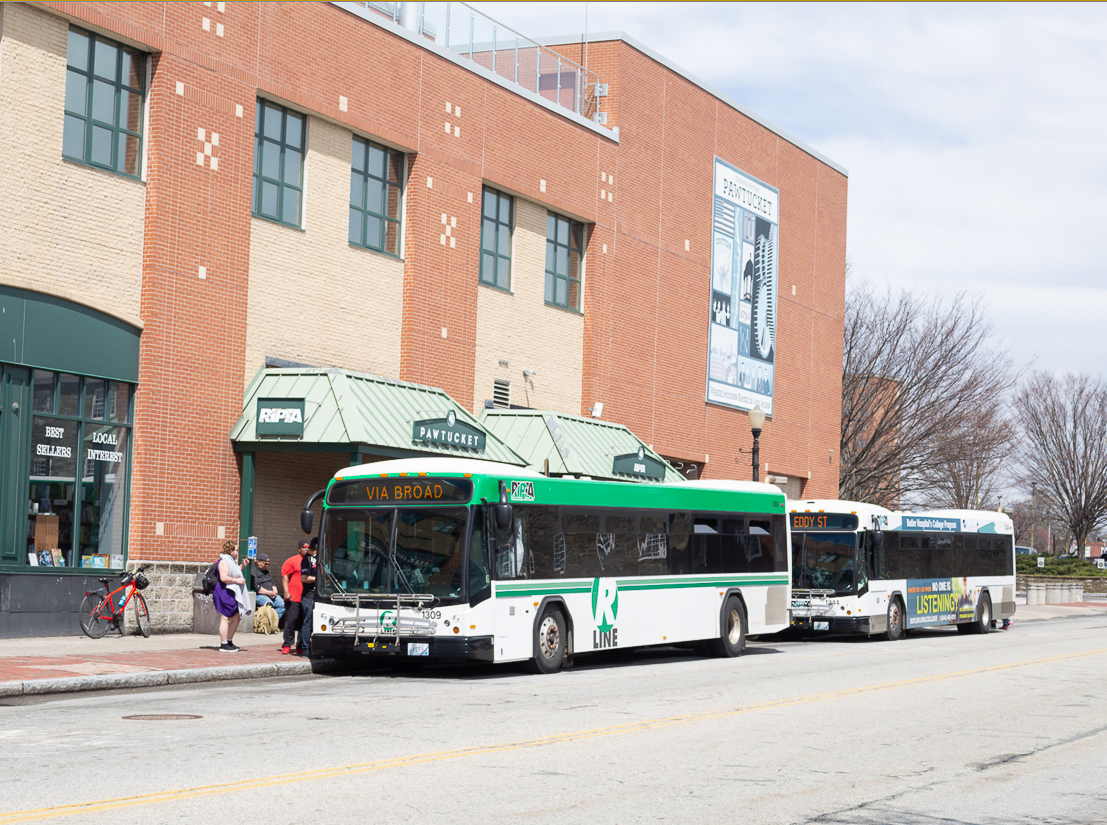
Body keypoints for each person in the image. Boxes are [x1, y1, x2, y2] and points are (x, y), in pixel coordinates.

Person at [214, 540, 251, 652]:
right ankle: (224, 644)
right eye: (236, 550)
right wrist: (237, 580)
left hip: (231, 592)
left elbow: (233, 572)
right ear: (230, 551)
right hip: (224, 591)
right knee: (225, 618)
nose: (237, 552)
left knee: (236, 616)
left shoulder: (231, 561)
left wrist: (242, 567)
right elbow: (224, 578)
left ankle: (229, 641)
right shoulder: (224, 562)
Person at [280, 540, 309, 655]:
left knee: (304, 623)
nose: (306, 549)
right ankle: (287, 644)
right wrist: (286, 592)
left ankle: (300, 646)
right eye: (304, 547)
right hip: (293, 597)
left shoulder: (312, 561)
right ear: (299, 549)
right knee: (290, 621)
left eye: (308, 547)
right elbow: (285, 577)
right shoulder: (291, 561)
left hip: (307, 597)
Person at [248, 553, 285, 619]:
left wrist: (275, 591)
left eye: (268, 564)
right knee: (269, 605)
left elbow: (272, 583)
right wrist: (269, 593)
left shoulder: (265, 571)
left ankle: (272, 623)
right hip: (260, 595)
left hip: (271, 594)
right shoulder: (253, 570)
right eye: (265, 564)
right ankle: (265, 624)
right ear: (258, 562)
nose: (267, 566)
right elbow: (256, 587)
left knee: (282, 605)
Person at [299, 537, 319, 657]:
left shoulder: (318, 558)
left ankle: (314, 648)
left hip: (318, 594)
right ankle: (305, 649)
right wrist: (319, 580)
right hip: (308, 595)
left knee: (315, 623)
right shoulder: (307, 560)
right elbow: (304, 578)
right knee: (308, 622)